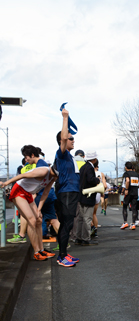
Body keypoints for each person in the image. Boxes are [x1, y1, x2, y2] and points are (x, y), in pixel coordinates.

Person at [0, 147, 57, 261]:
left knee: (39, 219)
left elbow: (45, 193)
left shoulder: (53, 177)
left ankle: (41, 250)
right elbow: (22, 175)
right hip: (18, 191)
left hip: (28, 194)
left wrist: (39, 209)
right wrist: (6, 183)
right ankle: (36, 252)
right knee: (32, 220)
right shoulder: (44, 170)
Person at [53, 108, 80, 267]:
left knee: (66, 224)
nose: (73, 140)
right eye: (71, 138)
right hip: (66, 192)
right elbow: (63, 137)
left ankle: (63, 254)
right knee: (67, 224)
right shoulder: (61, 154)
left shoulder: (69, 156)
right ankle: (62, 256)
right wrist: (65, 118)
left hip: (71, 192)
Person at [75, 151, 100, 246]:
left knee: (81, 218)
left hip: (81, 195)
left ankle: (79, 238)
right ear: (94, 159)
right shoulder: (90, 168)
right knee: (87, 218)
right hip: (88, 196)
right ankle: (86, 238)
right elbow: (90, 180)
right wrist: (97, 180)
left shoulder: (83, 167)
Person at [120, 162, 139, 230]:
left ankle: (125, 222)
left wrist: (126, 189)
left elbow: (127, 181)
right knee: (134, 208)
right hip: (135, 193)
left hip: (128, 193)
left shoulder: (126, 173)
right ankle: (133, 224)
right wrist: (137, 187)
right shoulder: (137, 174)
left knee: (125, 206)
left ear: (126, 167)